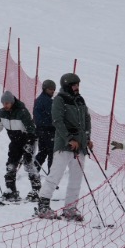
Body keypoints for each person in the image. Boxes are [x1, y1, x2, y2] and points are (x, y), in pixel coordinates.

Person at [36, 73, 92, 221]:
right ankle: (43, 205)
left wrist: (87, 138)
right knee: (55, 175)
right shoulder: (59, 100)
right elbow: (57, 121)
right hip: (64, 146)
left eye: (78, 85)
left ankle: (70, 208)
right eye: (74, 85)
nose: (77, 87)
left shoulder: (80, 100)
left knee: (76, 179)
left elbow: (87, 120)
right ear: (67, 85)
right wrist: (69, 139)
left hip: (80, 146)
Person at [0, 90, 39, 202]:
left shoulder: (22, 112)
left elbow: (31, 129)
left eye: (7, 103)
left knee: (28, 165)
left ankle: (36, 191)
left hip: (27, 140)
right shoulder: (2, 113)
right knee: (11, 166)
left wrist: (29, 143)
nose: (5, 105)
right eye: (3, 103)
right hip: (15, 142)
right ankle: (11, 191)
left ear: (12, 102)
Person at [32, 79, 58, 174]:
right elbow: (53, 116)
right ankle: (51, 175)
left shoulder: (40, 99)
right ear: (45, 89)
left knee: (43, 152)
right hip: (48, 131)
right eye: (50, 89)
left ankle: (34, 171)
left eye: (53, 89)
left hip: (41, 130)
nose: (52, 91)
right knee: (52, 153)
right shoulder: (46, 101)